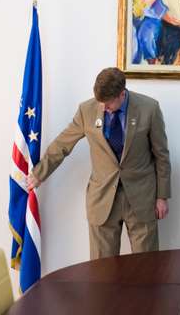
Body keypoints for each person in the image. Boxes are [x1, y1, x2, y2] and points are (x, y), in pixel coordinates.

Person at [27, 67, 171, 259]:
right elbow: (63, 144)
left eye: (108, 104)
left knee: (147, 267)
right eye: (100, 102)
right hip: (102, 200)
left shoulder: (149, 108)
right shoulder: (87, 110)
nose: (103, 108)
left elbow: (161, 155)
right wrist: (39, 173)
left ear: (122, 94)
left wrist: (162, 196)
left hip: (141, 199)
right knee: (102, 271)